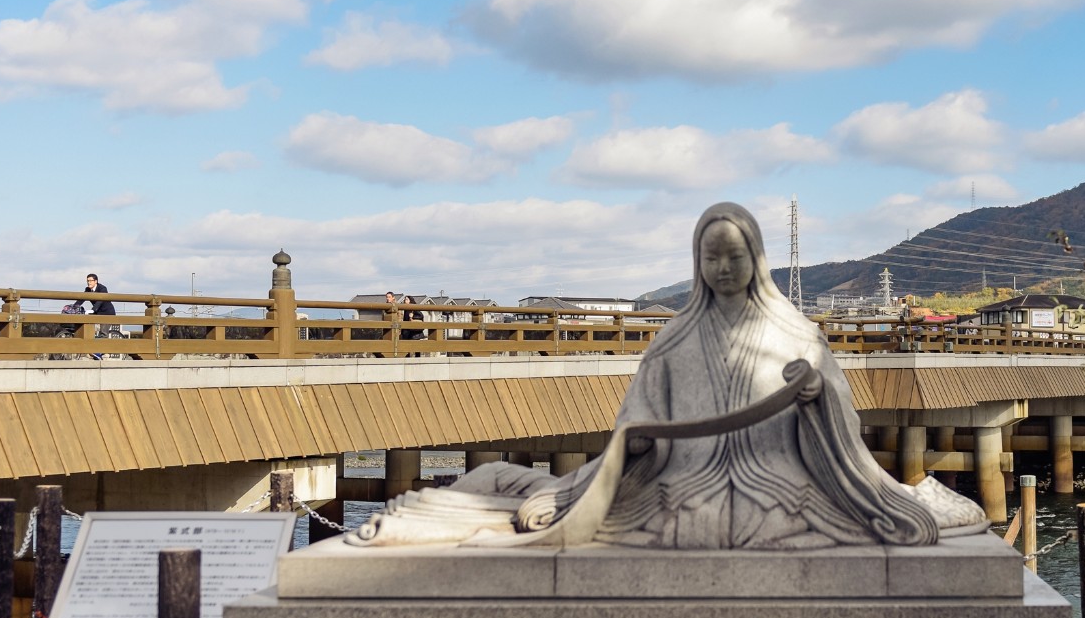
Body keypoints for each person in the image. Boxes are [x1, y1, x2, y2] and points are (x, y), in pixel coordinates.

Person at [352, 202, 985, 549]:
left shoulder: (796, 334)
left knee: (747, 526)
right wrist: (644, 441)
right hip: (681, 485)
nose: (723, 268)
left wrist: (818, 398)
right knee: (657, 518)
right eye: (711, 257)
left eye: (735, 256)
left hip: (780, 485)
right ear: (696, 263)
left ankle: (492, 494)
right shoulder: (673, 342)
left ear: (757, 259)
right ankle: (479, 496)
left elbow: (841, 428)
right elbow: (636, 426)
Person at [85, 273, 120, 356]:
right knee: (86, 321)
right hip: (98, 312)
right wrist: (74, 306)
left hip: (107, 313)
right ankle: (91, 340)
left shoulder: (102, 288)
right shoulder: (88, 289)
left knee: (103, 332)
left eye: (90, 281)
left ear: (95, 281)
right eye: (87, 281)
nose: (88, 283)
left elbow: (100, 301)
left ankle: (100, 352)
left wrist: (93, 310)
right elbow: (81, 298)